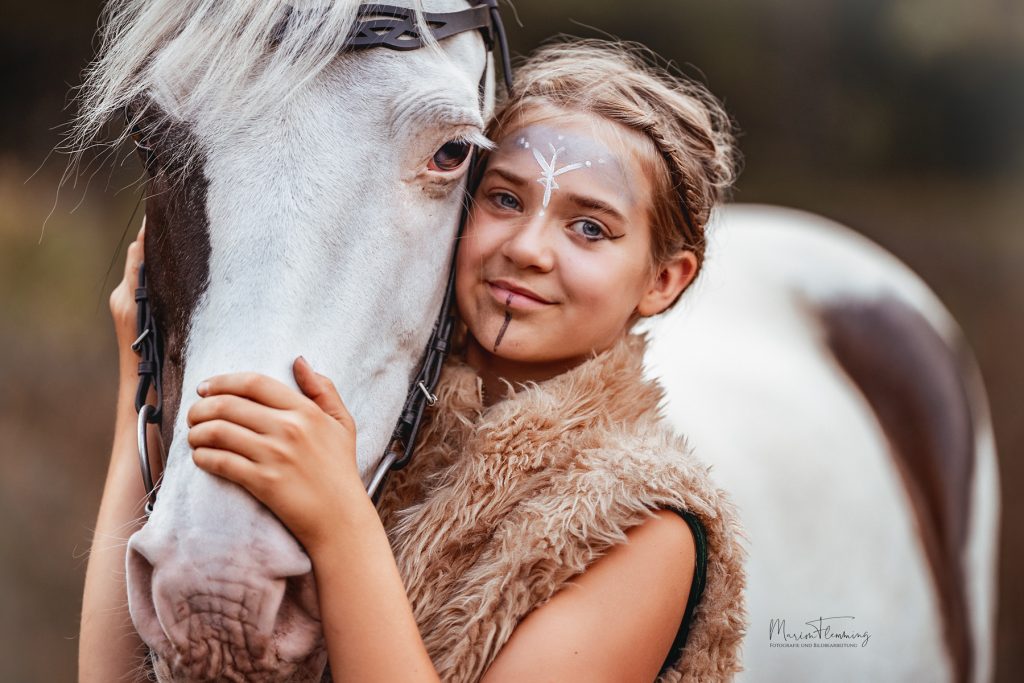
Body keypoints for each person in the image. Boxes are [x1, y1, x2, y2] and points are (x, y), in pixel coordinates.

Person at [82, 39, 747, 682]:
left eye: (590, 228)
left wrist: (341, 524)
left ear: (664, 280)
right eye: (506, 199)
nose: (529, 248)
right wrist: (138, 400)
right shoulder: (390, 433)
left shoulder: (644, 524)